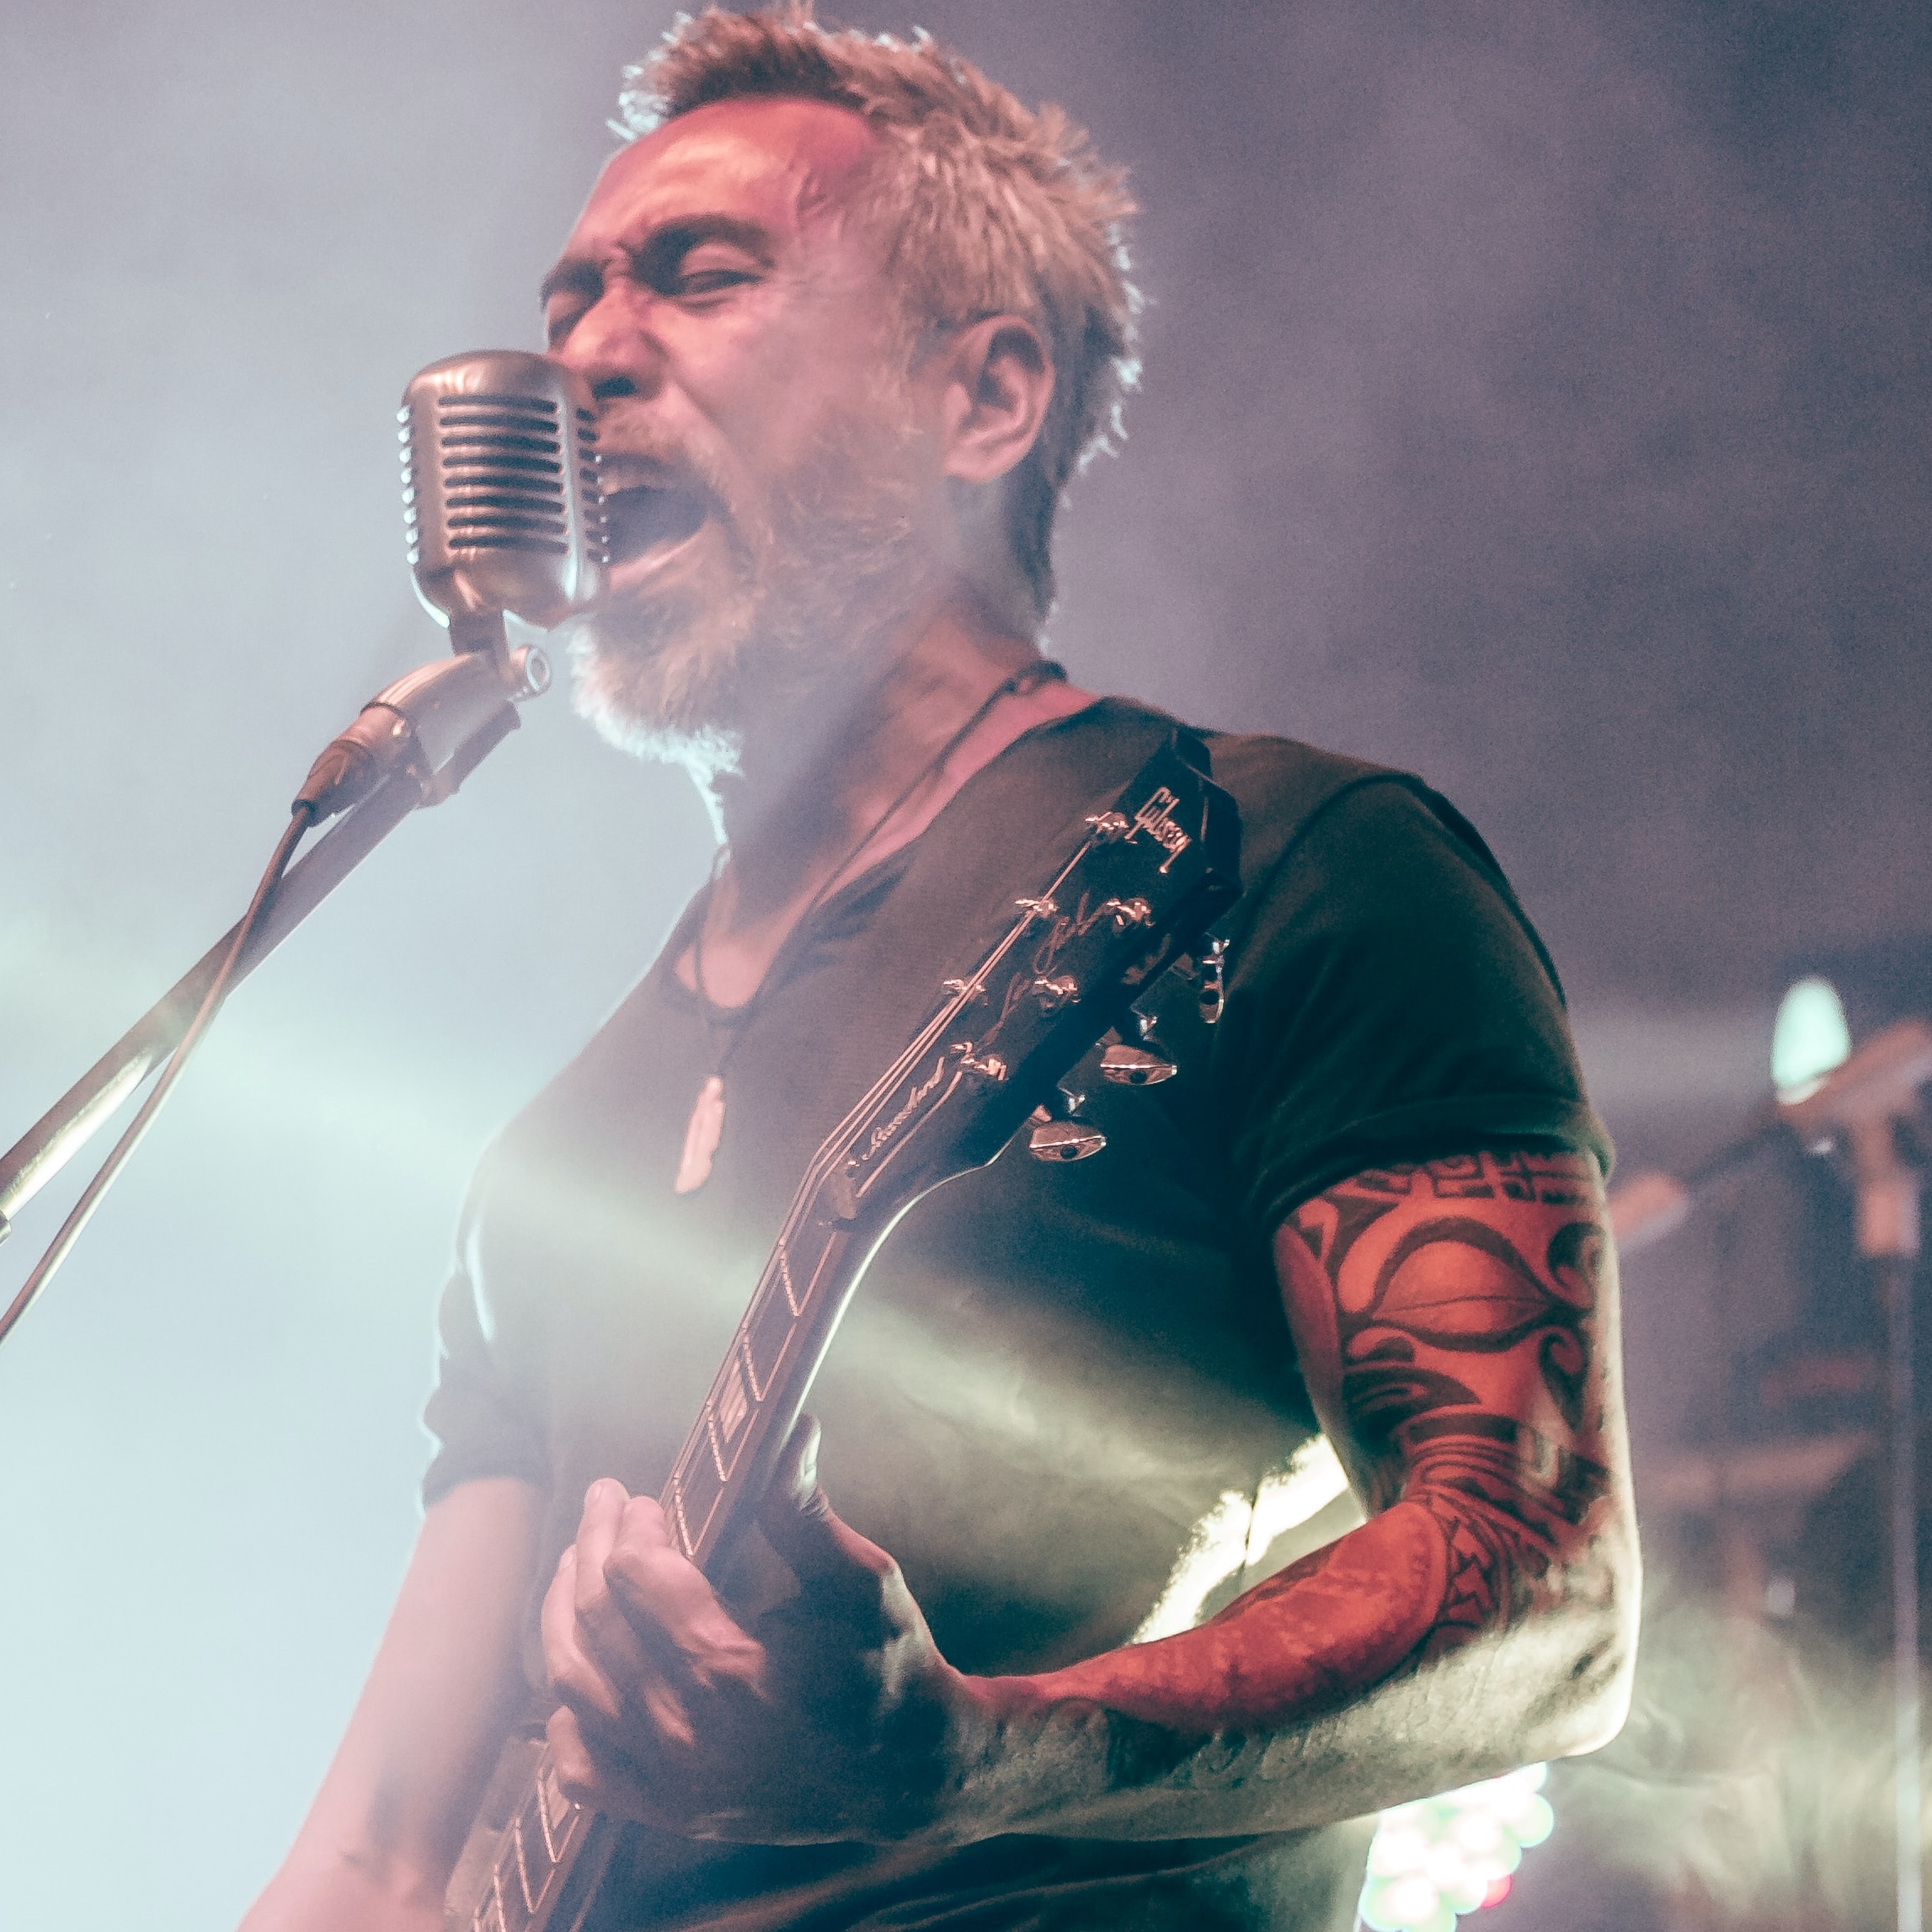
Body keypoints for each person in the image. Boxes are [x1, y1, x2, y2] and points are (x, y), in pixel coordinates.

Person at [239, 8, 1639, 1929]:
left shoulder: (1275, 867)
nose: (580, 354)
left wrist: (968, 1756)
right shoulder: (551, 1153)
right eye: (566, 299)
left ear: (984, 398)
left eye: (697, 275)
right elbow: (380, 1859)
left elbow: (1547, 1609)